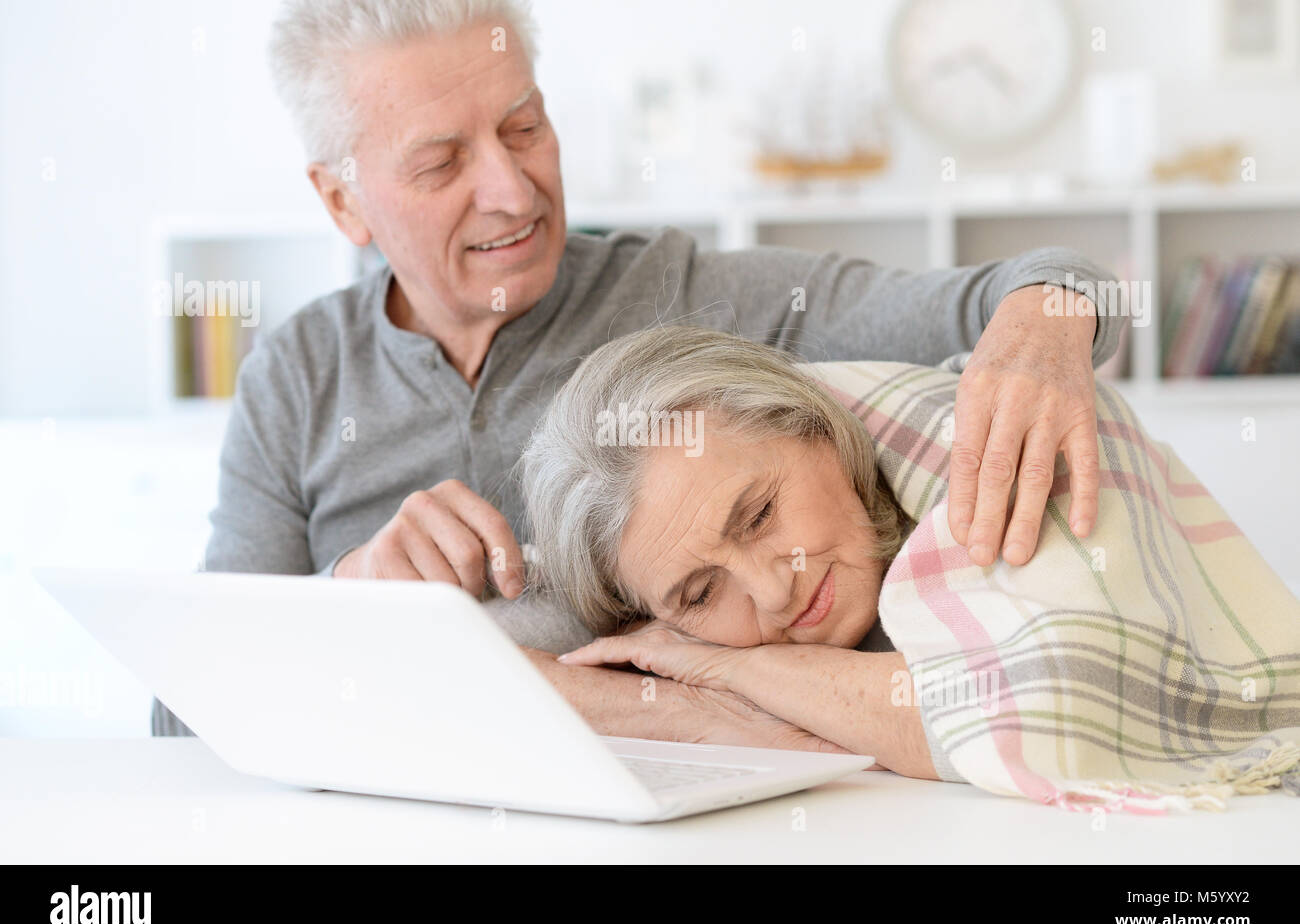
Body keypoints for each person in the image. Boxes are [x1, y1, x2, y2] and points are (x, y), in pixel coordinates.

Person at [153, 0, 1122, 748]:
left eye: (523, 126)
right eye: (443, 162)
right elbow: (176, 714)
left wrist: (1046, 322)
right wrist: (345, 592)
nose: (511, 186)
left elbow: (1056, 284)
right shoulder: (297, 375)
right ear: (342, 201)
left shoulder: (688, 295)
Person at [520, 324, 941, 777]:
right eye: (701, 594)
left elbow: (1007, 714)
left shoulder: (967, 459)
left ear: (818, 429)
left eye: (759, 516)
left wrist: (735, 669)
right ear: (645, 620)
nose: (773, 593)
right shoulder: (648, 627)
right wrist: (681, 711)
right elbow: (447, 673)